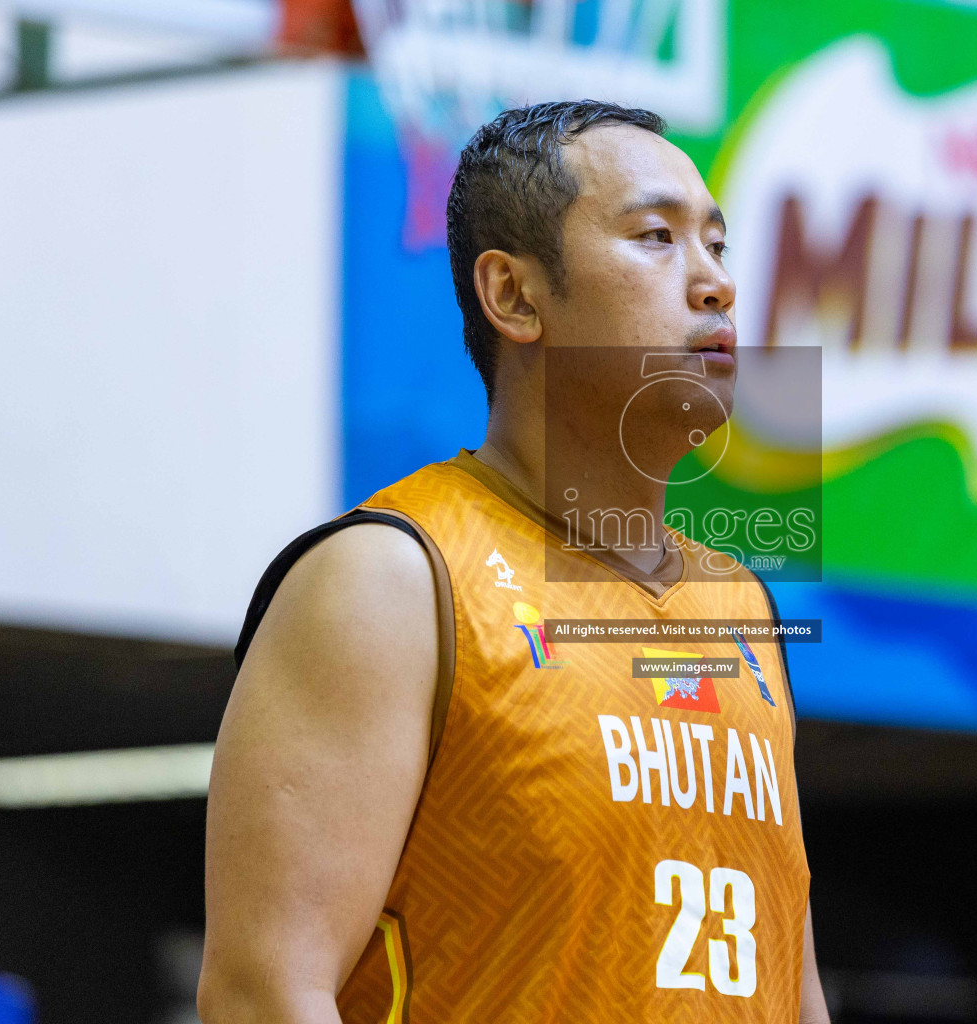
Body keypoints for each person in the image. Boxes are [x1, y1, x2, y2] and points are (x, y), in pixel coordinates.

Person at [197, 100, 829, 1023]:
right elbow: (263, 994)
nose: (715, 285)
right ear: (515, 297)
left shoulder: (740, 611)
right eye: (656, 237)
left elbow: (788, 989)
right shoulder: (388, 582)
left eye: (719, 248)